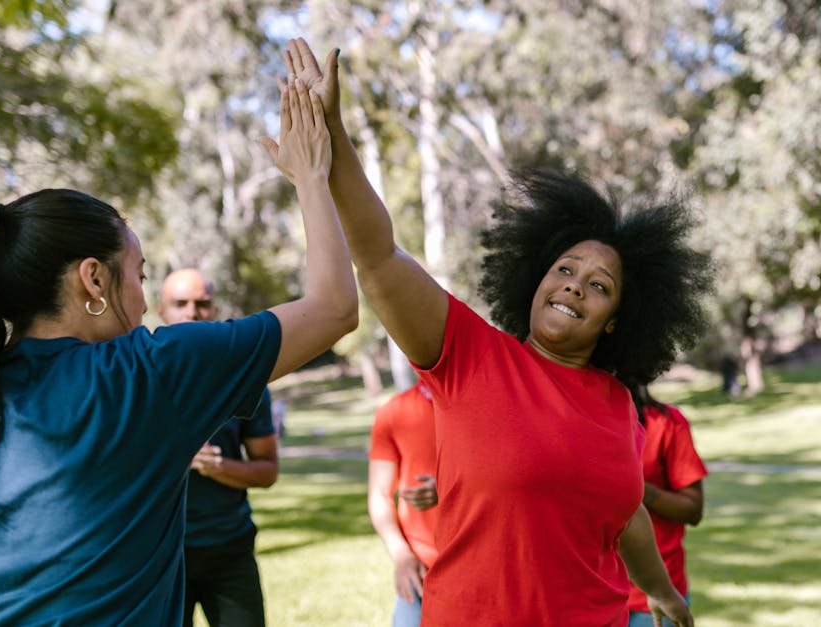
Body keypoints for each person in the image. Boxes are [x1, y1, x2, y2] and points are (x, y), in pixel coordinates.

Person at [280, 38, 713, 626]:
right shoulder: (470, 353)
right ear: (536, 279)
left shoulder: (618, 406)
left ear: (616, 321)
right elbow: (379, 257)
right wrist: (335, 137)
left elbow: (626, 509)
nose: (575, 286)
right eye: (565, 269)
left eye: (600, 285)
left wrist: (660, 591)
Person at [0, 79, 356, 625]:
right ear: (94, 281)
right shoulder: (149, 375)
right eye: (140, 275)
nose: (145, 300)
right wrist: (312, 175)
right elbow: (335, 307)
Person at [157, 268, 278, 627]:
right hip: (162, 557)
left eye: (203, 303)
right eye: (180, 304)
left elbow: (268, 471)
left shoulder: (243, 381)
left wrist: (217, 466)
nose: (192, 312)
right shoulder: (137, 378)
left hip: (230, 551)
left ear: (215, 309)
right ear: (160, 310)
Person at [628, 386, 708, 627]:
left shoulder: (666, 422)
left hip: (655, 595)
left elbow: (692, 510)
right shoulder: (576, 419)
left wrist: (639, 489)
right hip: (589, 593)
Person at [368, 381, 438, 627]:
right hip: (420, 570)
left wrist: (453, 489)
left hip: (487, 571)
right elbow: (379, 494)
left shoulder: (491, 401)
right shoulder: (394, 411)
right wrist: (401, 555)